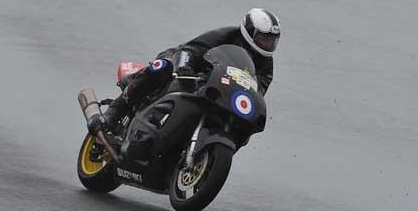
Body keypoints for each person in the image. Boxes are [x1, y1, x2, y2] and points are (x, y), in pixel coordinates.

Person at [94, 8, 281, 134]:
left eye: (272, 40)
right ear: (249, 31)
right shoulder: (227, 35)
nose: (268, 44)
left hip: (217, 87)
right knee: (163, 67)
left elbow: (257, 90)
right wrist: (184, 66)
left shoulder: (266, 64)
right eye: (264, 39)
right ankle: (115, 111)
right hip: (186, 66)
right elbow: (191, 49)